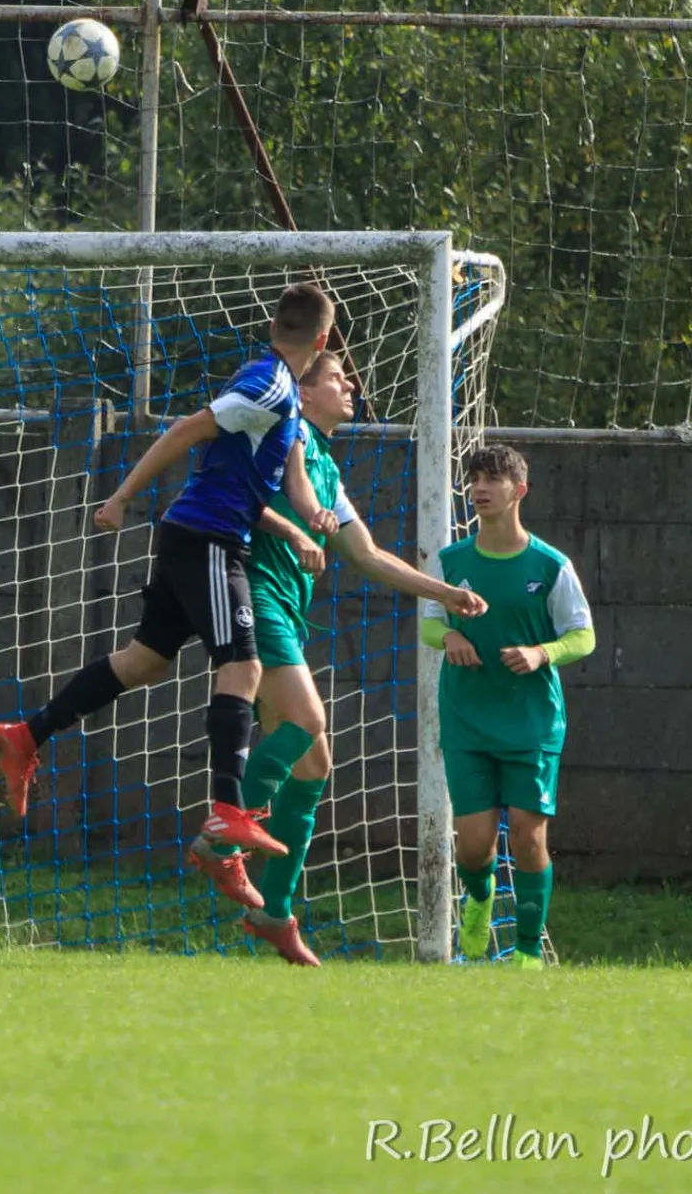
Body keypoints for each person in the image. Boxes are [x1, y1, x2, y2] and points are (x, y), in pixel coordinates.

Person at [0, 283, 340, 857]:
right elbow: (184, 430)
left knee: (145, 661)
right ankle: (228, 811)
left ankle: (27, 734)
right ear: (322, 339)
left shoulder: (285, 401)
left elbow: (292, 483)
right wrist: (121, 496)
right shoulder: (268, 384)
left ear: (275, 326)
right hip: (208, 540)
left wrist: (311, 515)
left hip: (200, 537)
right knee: (243, 665)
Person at [222, 351, 486, 965]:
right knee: (307, 726)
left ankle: (274, 910)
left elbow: (366, 555)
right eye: (338, 377)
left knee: (314, 764)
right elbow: (236, 492)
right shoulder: (278, 435)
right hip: (254, 596)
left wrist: (443, 592)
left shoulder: (325, 465)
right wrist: (290, 528)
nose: (352, 386)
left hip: (288, 611)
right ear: (303, 393)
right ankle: (225, 827)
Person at [421, 445, 593, 970]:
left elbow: (582, 635)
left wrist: (542, 652)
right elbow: (428, 621)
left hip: (531, 721)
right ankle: (478, 898)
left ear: (519, 491)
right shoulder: (450, 562)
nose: (480, 488)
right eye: (475, 479)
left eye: (493, 479)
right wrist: (448, 637)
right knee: (473, 847)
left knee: (527, 832)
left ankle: (525, 951)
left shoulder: (550, 565)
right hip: (467, 719)